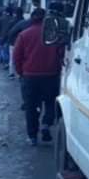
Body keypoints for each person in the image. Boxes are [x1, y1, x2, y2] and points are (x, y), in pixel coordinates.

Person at [13, 8, 63, 146]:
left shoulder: (24, 35)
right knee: (50, 103)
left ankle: (32, 136)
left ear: (32, 19)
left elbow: (17, 57)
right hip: (51, 76)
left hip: (30, 76)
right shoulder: (53, 34)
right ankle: (46, 124)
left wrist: (21, 73)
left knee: (31, 107)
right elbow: (61, 53)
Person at [6, 7, 30, 78]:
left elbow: (10, 32)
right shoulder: (25, 22)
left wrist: (8, 41)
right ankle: (19, 73)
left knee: (12, 59)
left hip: (13, 43)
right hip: (23, 44)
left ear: (15, 13)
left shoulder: (12, 21)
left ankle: (11, 73)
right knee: (22, 58)